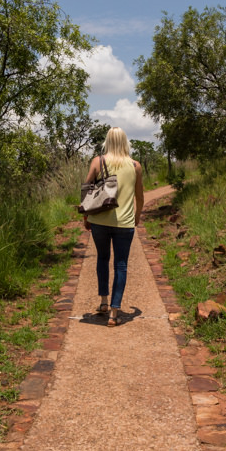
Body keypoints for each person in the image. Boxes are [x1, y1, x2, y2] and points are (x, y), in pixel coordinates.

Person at [82, 127, 145, 327]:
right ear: (125, 141)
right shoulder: (135, 166)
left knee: (102, 258)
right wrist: (137, 216)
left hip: (99, 221)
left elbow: (86, 191)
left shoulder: (97, 162)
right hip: (124, 223)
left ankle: (103, 302)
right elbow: (140, 197)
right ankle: (114, 312)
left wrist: (86, 217)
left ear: (107, 141)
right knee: (121, 265)